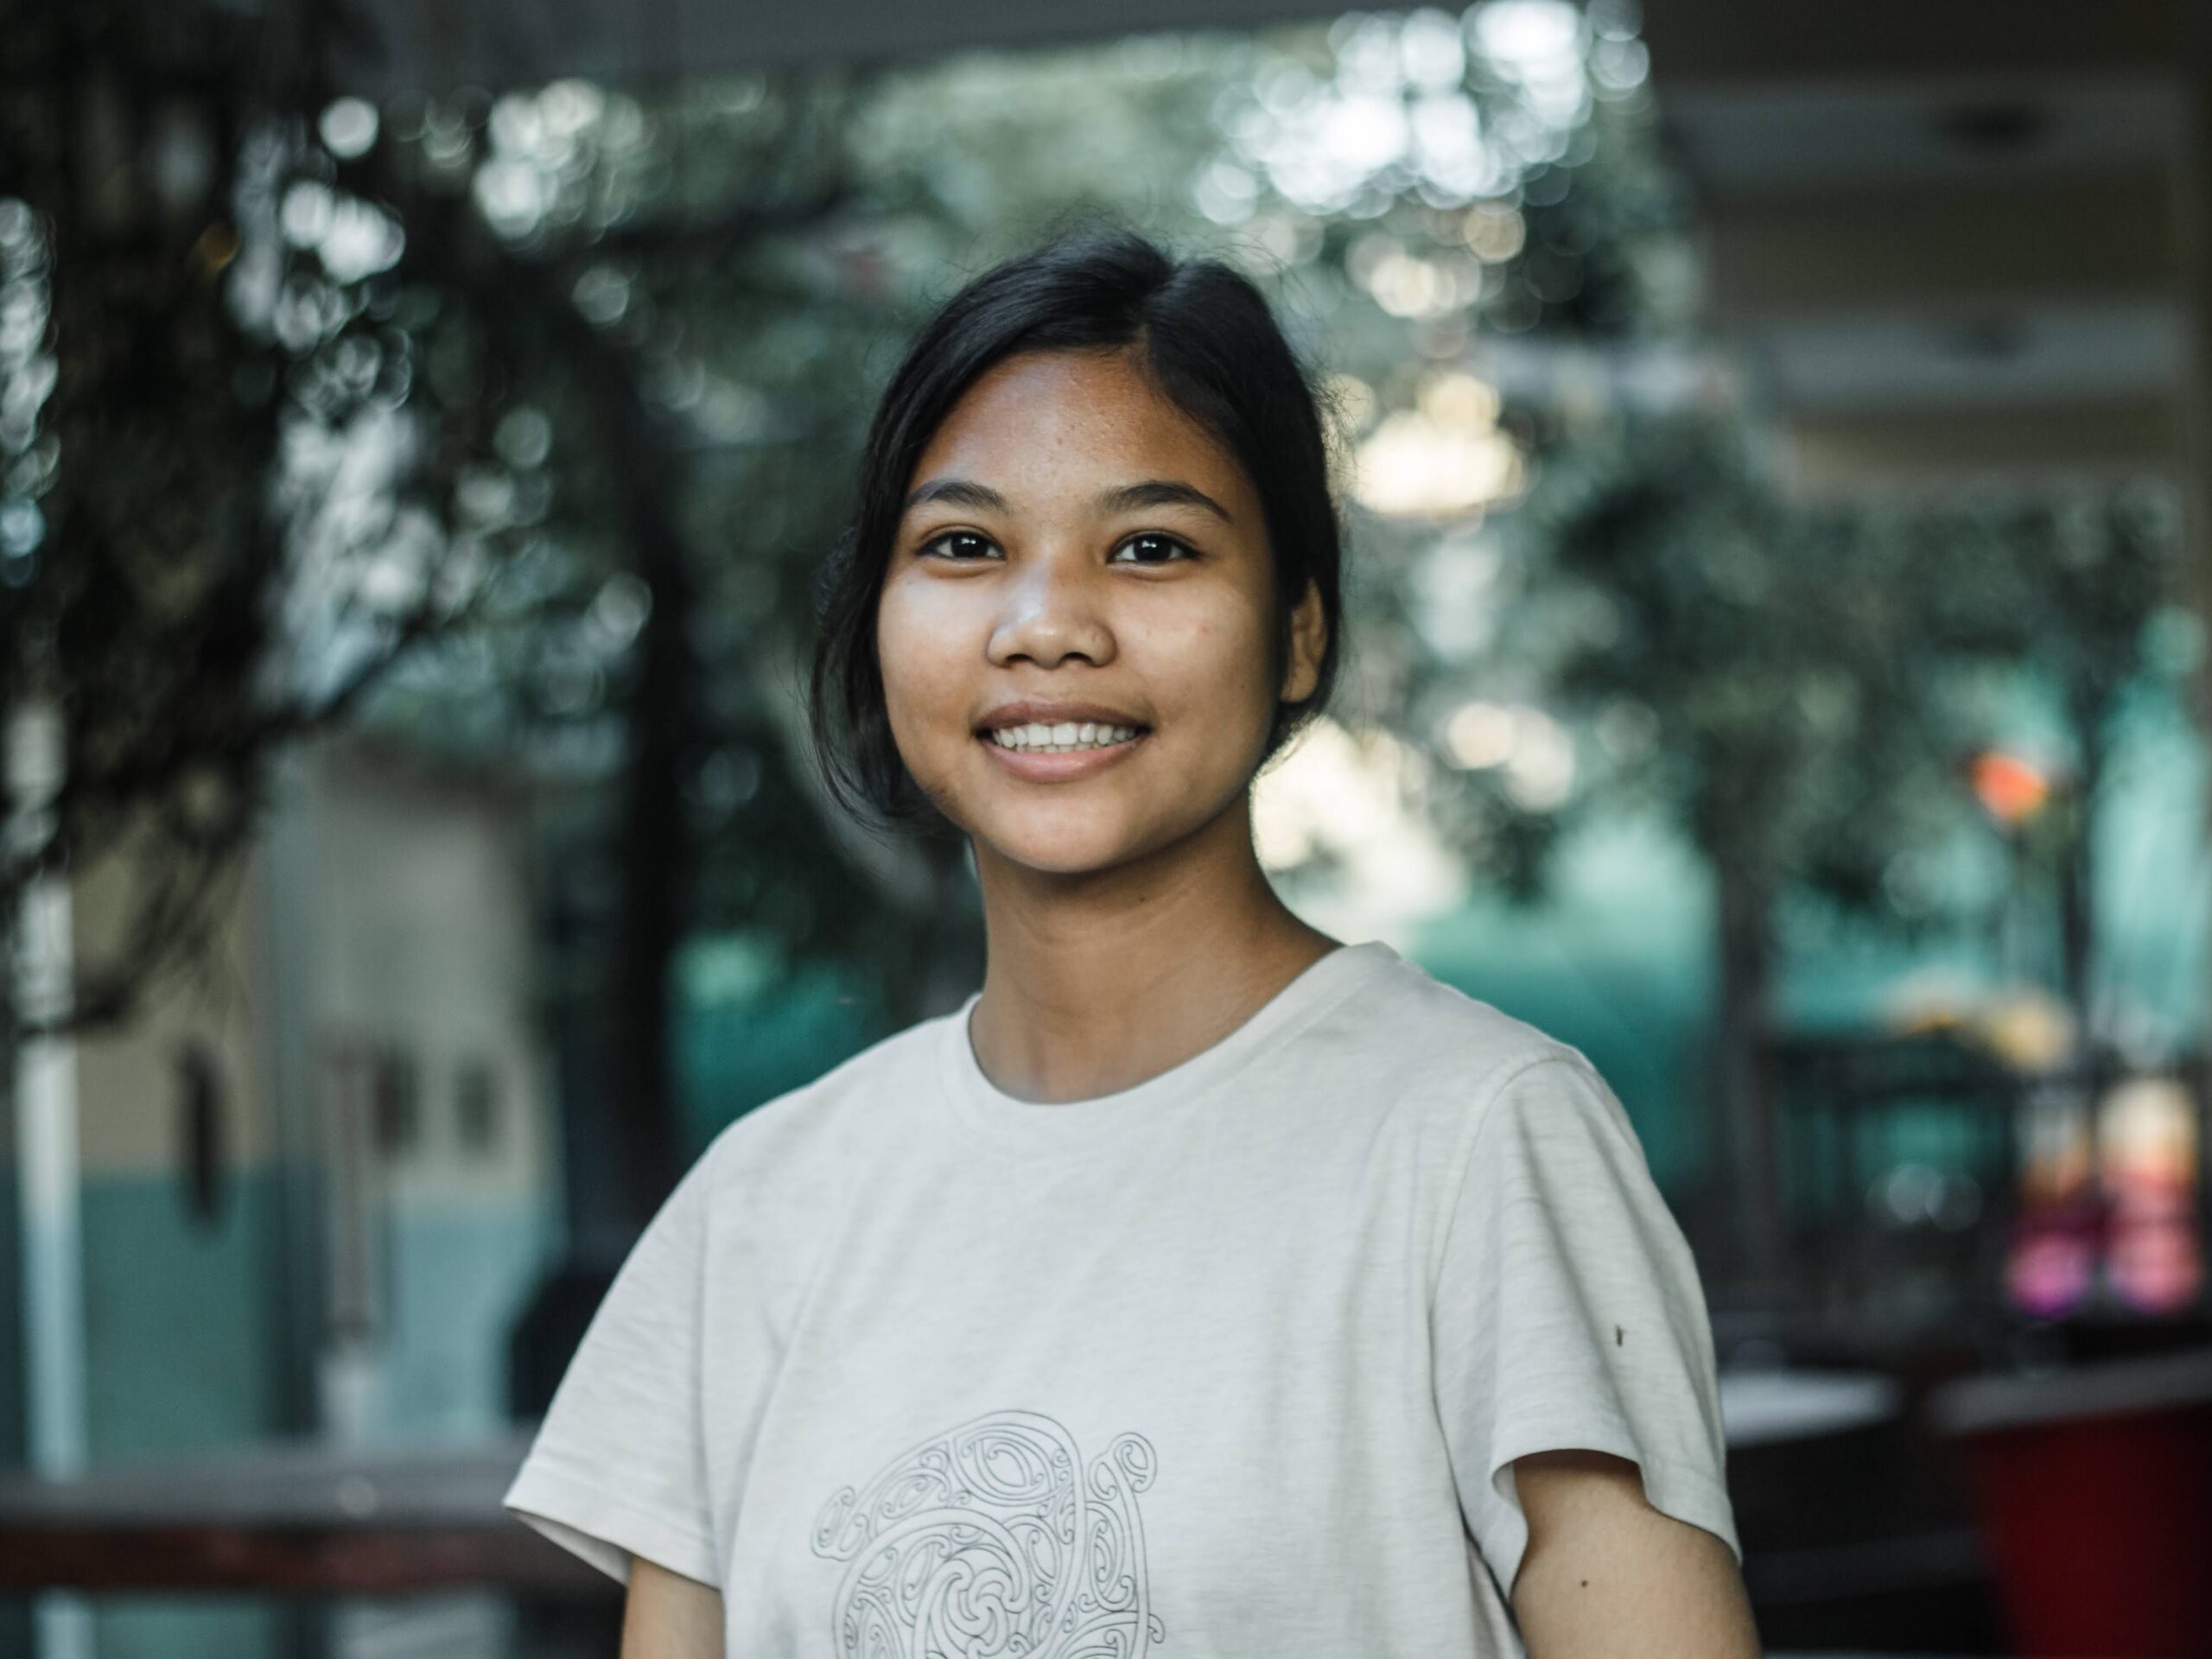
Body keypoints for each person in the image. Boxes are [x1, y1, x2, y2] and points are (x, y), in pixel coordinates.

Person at [502, 226, 1763, 1659]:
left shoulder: (1479, 1146)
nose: (1047, 627)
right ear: (878, 623)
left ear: (1298, 632)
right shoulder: (760, 1212)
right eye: (964, 546)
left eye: (1151, 547)